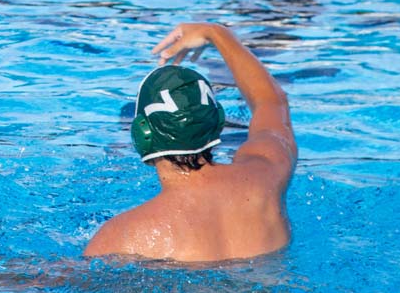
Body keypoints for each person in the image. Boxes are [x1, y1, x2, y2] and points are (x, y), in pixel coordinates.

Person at [84, 22, 296, 263]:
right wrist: (217, 32)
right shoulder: (268, 172)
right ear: (217, 122)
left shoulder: (123, 237)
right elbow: (272, 102)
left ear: (143, 136)